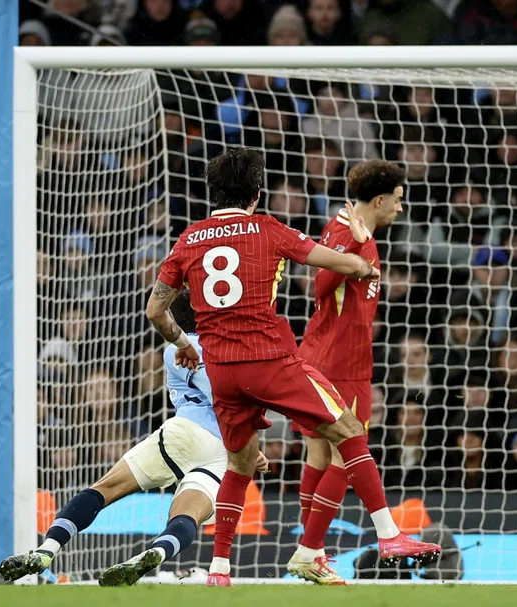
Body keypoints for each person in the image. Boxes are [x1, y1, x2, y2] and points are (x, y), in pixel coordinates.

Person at [145, 148, 439, 587]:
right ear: (256, 193)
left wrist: (183, 343)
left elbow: (155, 311)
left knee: (240, 462)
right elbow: (335, 266)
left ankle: (220, 569)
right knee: (348, 431)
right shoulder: (269, 229)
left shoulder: (188, 239)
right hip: (269, 359)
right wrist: (362, 260)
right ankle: (389, 535)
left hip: (221, 370)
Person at [0, 292, 269, 586]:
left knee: (105, 489)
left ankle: (45, 550)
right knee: (187, 516)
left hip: (186, 431)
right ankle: (156, 552)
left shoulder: (174, 351)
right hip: (225, 448)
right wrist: (249, 444)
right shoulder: (233, 352)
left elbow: (215, 390)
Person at [288, 160, 406, 584]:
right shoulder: (347, 232)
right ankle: (310, 550)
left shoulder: (353, 229)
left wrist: (363, 247)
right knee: (345, 453)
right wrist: (357, 250)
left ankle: (313, 552)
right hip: (341, 361)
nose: (400, 209)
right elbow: (320, 285)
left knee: (319, 455)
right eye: (397, 201)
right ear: (379, 200)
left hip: (329, 353)